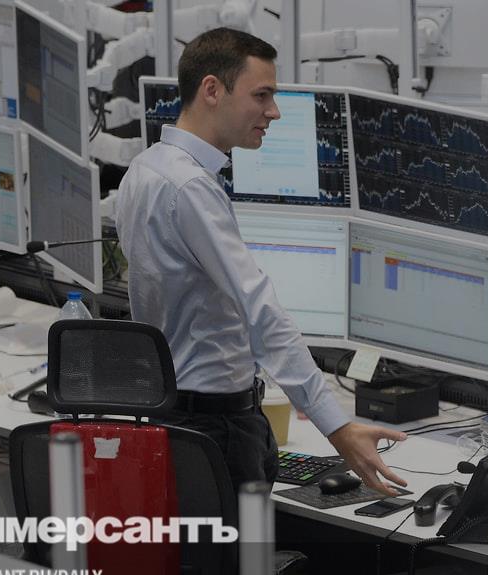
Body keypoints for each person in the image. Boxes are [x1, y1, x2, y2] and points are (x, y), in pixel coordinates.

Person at [115, 28, 407, 493]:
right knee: (234, 546)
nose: (274, 111)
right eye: (262, 95)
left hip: (174, 413)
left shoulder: (145, 168)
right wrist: (338, 427)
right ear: (212, 90)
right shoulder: (191, 189)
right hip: (214, 427)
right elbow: (261, 312)